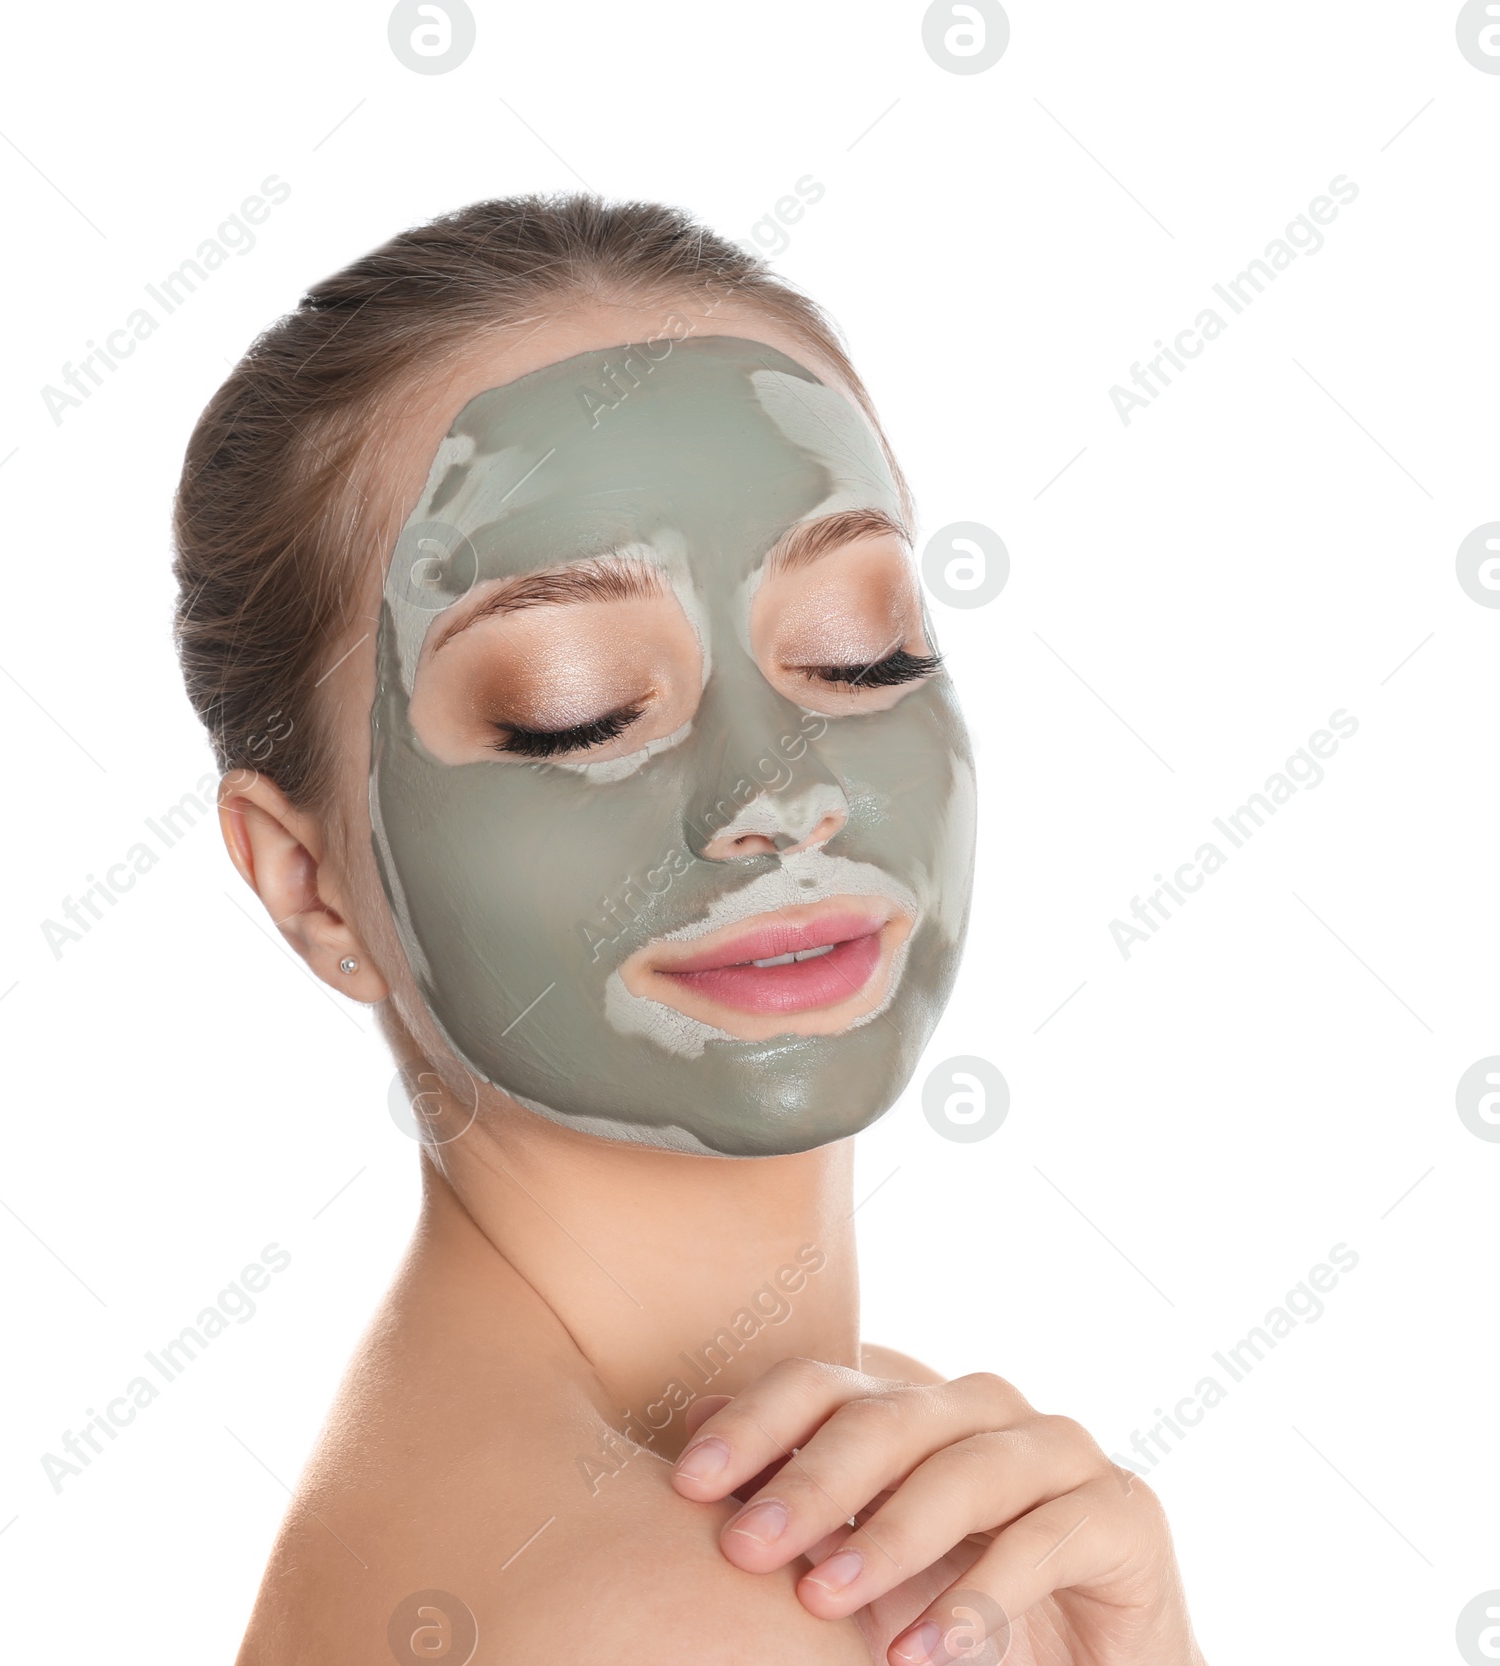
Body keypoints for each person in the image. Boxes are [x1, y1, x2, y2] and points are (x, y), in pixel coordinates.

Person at [173, 193, 1205, 1665]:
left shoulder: (895, 1488)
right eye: (577, 708)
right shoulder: (673, 1609)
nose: (781, 798)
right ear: (307, 879)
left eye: (865, 652)